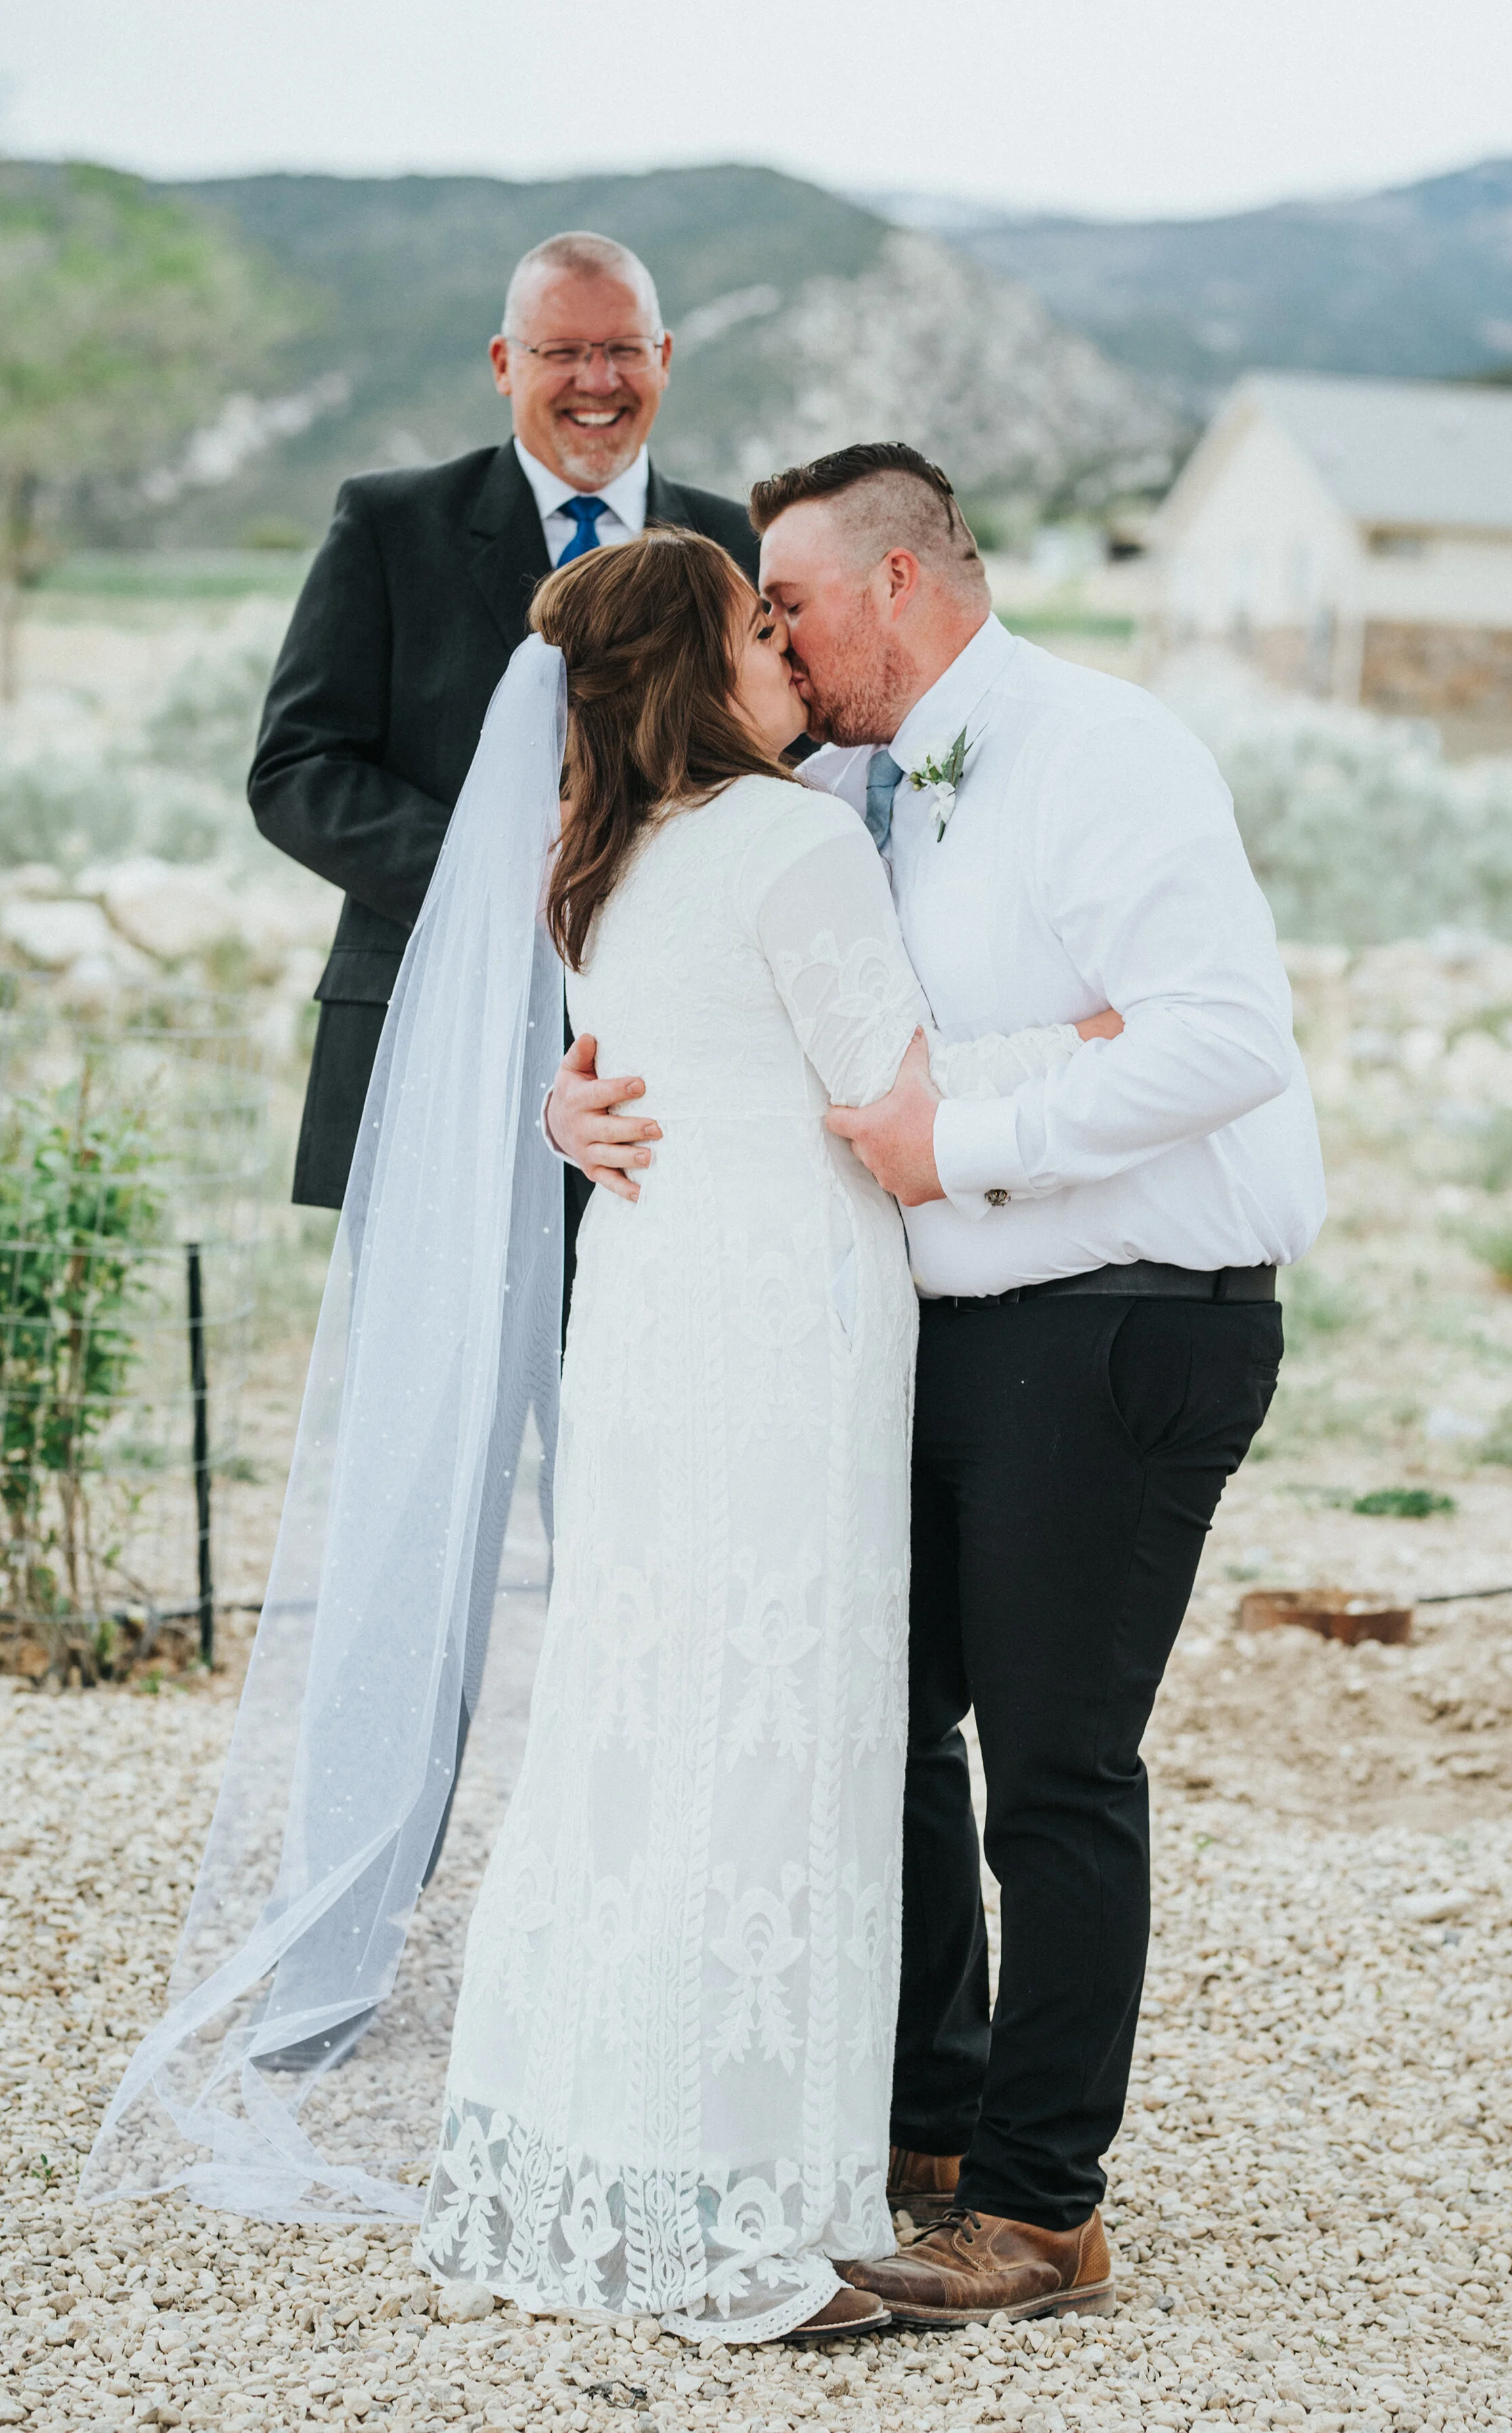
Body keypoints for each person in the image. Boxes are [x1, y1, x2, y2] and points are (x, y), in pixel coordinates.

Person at [547, 443, 1327, 2328]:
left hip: (1122, 1314)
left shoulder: (1105, 749)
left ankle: (1044, 2203)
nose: (780, 644)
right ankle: (933, 2119)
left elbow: (1222, 1036)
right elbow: (756, 1007)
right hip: (933, 1331)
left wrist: (967, 1131)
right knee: (878, 1723)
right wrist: (584, 1101)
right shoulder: (836, 782)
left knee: (1053, 1770)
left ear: (896, 585)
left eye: (791, 603)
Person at [412, 529, 1103, 2343]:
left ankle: (589, 2148)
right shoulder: (794, 841)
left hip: (648, 1317)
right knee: (774, 1724)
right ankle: (741, 2209)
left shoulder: (601, 858)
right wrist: (1090, 1034)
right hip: (784, 1318)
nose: (786, 648)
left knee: (647, 1714)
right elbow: (893, 1090)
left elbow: (672, 1056)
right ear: (693, 672)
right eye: (754, 626)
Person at [250, 227, 758, 1226]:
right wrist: (497, 870)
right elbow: (296, 770)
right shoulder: (390, 526)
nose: (595, 380)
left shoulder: (739, 544)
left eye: (620, 350)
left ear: (665, 357)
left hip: (663, 1065)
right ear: (503, 364)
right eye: (561, 352)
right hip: (431, 1034)